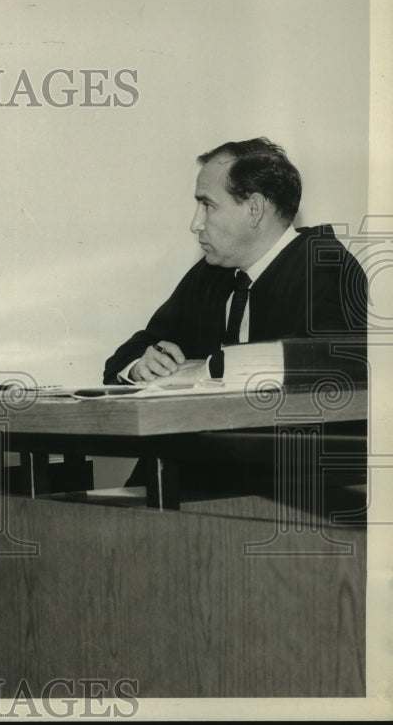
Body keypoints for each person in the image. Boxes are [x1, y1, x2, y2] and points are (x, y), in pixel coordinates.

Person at [103, 138, 368, 491]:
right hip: (206, 481)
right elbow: (126, 354)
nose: (195, 224)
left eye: (207, 206)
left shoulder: (326, 266)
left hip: (289, 492)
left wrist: (200, 370)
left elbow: (320, 377)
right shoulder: (211, 274)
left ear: (254, 208)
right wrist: (140, 365)